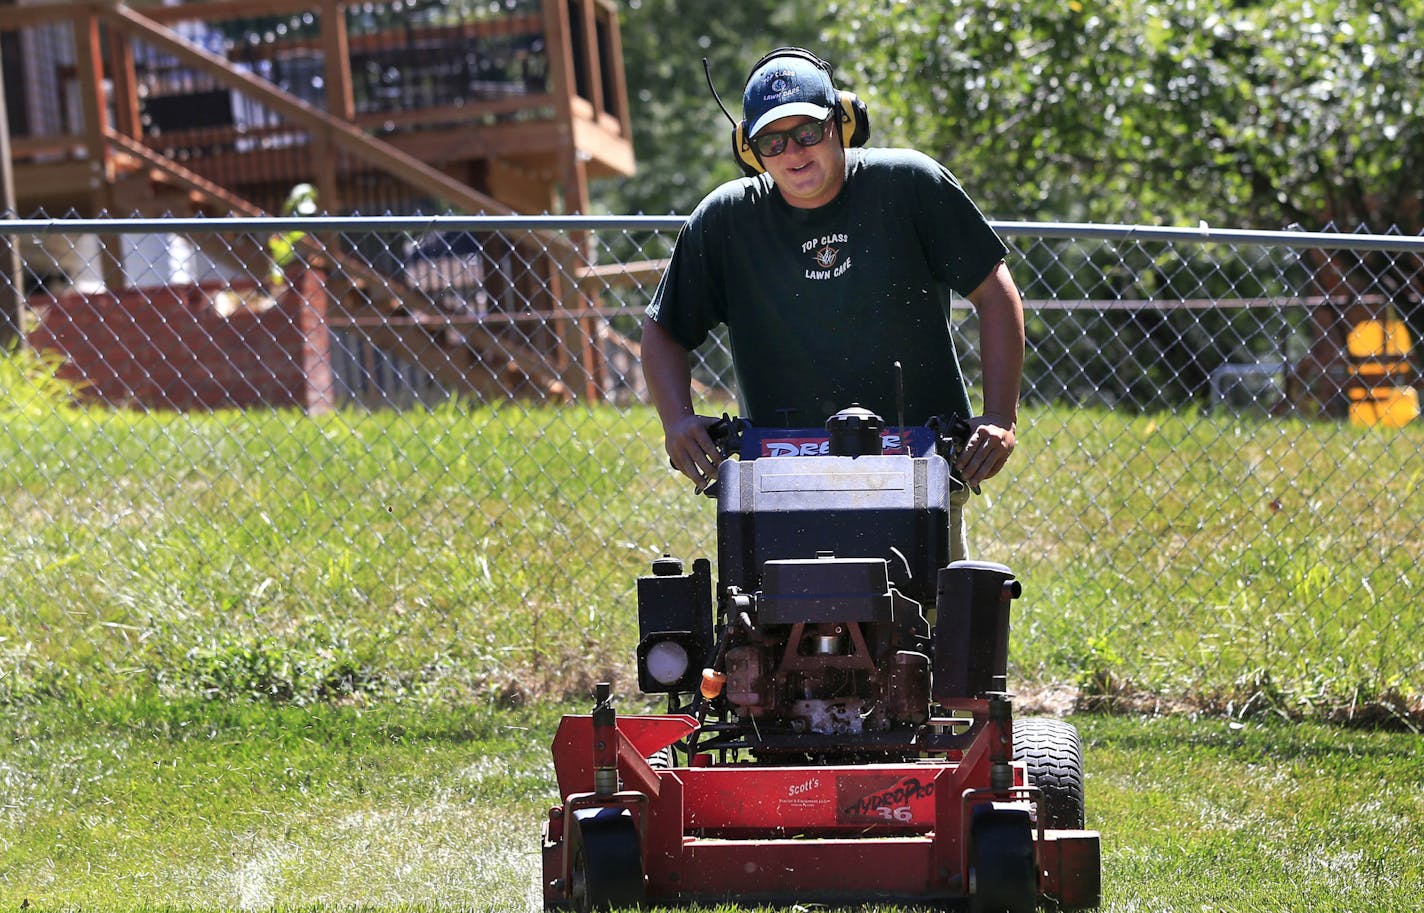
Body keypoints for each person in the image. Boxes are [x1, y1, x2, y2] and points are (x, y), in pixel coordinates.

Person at [640, 48, 1025, 560]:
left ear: (842, 121)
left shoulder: (909, 185)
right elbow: (663, 331)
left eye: (808, 132)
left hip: (918, 467)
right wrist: (677, 423)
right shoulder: (726, 220)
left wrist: (999, 415)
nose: (793, 152)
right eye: (772, 141)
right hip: (779, 478)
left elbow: (994, 293)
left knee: (931, 623)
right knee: (771, 626)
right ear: (748, 148)